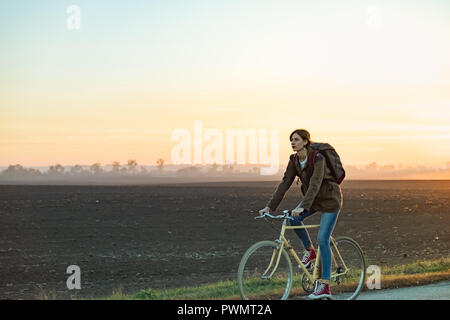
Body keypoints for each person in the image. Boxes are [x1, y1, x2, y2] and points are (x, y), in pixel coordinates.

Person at [258, 129, 343, 300]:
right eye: (291, 140)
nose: (292, 143)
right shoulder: (294, 160)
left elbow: (315, 184)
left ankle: (325, 286)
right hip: (313, 201)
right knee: (293, 218)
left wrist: (303, 206)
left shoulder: (317, 158)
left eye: (296, 139)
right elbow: (285, 183)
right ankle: (309, 251)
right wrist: (269, 207)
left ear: (305, 141)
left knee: (323, 239)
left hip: (330, 200)